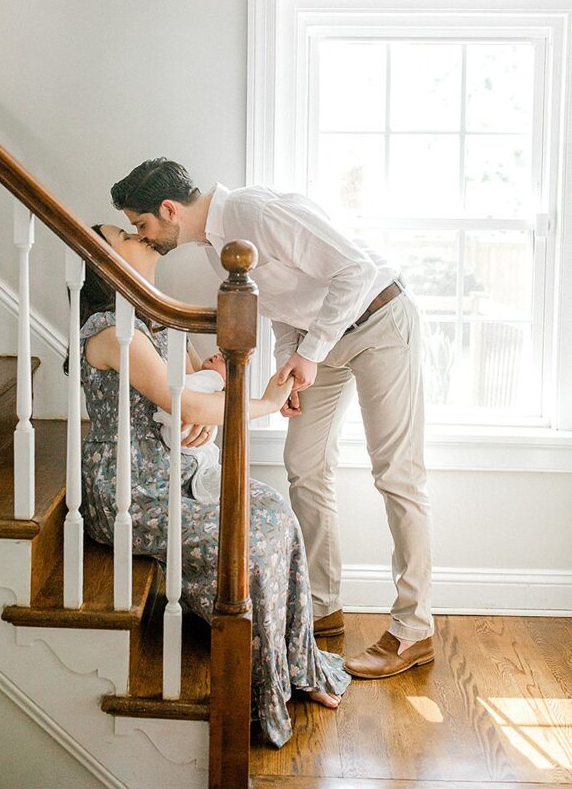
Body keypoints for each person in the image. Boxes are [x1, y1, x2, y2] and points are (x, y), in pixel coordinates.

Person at [111, 161, 435, 680]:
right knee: (303, 464)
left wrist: (310, 352)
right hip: (321, 341)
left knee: (397, 473)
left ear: (169, 210)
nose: (144, 236)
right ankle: (322, 605)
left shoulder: (252, 213)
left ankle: (414, 629)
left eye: (143, 224)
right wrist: (292, 364)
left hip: (378, 320)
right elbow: (285, 305)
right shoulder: (222, 248)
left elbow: (354, 269)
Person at [77, 223, 351, 747]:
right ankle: (255, 687)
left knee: (273, 510)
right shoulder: (114, 332)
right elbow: (187, 405)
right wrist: (263, 404)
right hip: (135, 490)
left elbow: (192, 398)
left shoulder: (159, 320)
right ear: (105, 260)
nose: (137, 230)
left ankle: (297, 663)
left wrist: (208, 378)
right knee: (244, 545)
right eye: (122, 232)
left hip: (180, 471)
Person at [153, 352, 225, 505]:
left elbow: (192, 391)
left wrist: (209, 410)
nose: (218, 355)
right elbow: (189, 396)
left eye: (224, 360)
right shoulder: (206, 379)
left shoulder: (212, 380)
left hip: (186, 437)